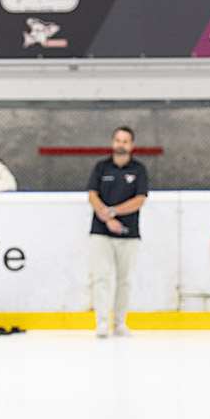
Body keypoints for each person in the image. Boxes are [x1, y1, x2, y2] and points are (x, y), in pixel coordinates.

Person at [87, 126, 148, 338]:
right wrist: (106, 217)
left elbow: (140, 199)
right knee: (102, 277)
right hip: (100, 232)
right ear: (113, 142)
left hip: (128, 232)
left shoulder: (139, 170)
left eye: (125, 141)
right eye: (117, 140)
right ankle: (102, 322)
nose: (120, 144)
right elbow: (92, 195)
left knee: (124, 280)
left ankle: (120, 322)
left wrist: (114, 212)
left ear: (131, 145)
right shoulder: (102, 167)